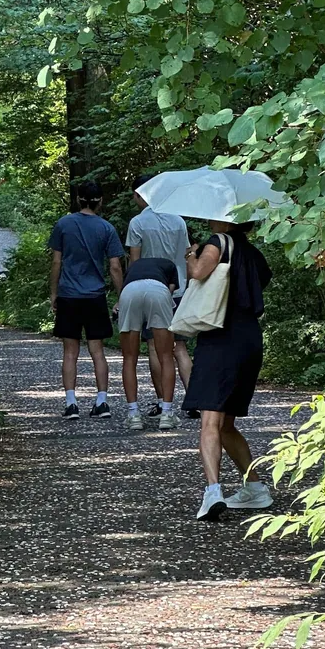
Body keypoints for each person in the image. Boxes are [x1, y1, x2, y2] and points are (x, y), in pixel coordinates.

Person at [183, 220, 275, 521]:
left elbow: (198, 273)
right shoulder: (253, 253)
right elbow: (260, 282)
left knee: (210, 420)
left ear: (226, 219)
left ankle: (212, 493)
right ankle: (255, 488)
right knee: (225, 425)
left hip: (221, 336)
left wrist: (191, 255)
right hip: (250, 337)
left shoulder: (218, 242)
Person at [48, 179, 124, 418]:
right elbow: (114, 266)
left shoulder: (63, 224)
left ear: (78, 199)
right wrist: (122, 296)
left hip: (69, 295)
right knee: (97, 351)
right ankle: (101, 402)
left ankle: (71, 403)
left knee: (70, 351)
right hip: (95, 296)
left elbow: (56, 261)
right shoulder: (106, 228)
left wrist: (53, 293)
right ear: (100, 201)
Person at [126, 176, 194, 412]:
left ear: (140, 194)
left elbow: (134, 261)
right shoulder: (178, 220)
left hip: (151, 289)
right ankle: (193, 399)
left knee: (155, 346)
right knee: (180, 348)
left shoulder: (137, 223)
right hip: (179, 289)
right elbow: (187, 254)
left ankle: (163, 402)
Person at [116, 255, 180, 431]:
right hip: (158, 291)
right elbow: (171, 290)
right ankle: (166, 413)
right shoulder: (170, 265)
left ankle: (133, 414)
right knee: (166, 356)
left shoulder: (134, 266)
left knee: (129, 358)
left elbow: (125, 283)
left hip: (129, 291)